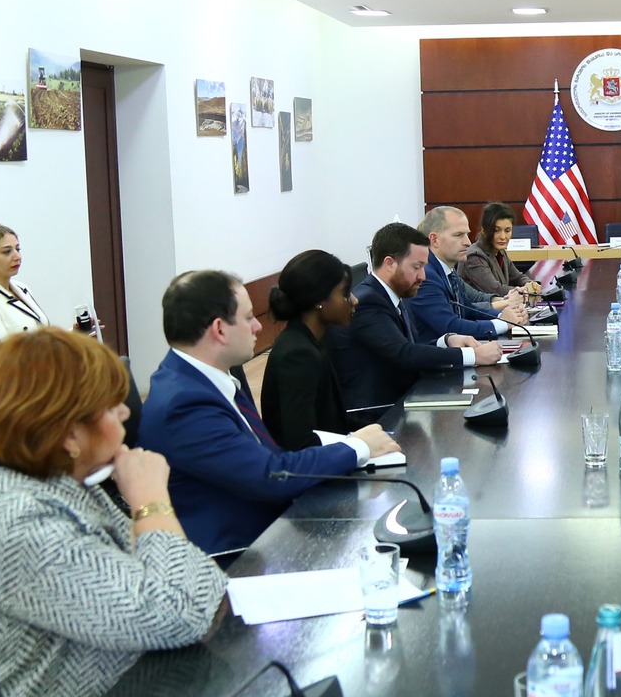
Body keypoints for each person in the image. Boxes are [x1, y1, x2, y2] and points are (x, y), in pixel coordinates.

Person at [0, 328, 228, 697]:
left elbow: (199, 585)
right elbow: (181, 614)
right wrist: (151, 502)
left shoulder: (51, 477)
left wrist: (161, 544)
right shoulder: (19, 524)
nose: (126, 413)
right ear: (69, 436)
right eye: (111, 408)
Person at [137, 270, 395, 553]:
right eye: (249, 318)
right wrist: (357, 446)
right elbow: (269, 476)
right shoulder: (184, 405)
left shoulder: (204, 379)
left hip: (270, 528)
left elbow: (266, 457)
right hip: (239, 554)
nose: (258, 327)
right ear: (219, 329)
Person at [332, 223, 505, 410]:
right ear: (390, 263)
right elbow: (404, 354)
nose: (422, 276)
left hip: (406, 397)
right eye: (417, 267)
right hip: (380, 412)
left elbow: (408, 345)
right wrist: (474, 355)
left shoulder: (395, 294)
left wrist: (446, 341)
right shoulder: (368, 302)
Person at [260, 250, 356, 448]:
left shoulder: (309, 341)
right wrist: (361, 444)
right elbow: (301, 441)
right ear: (319, 301)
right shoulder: (298, 355)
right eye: (345, 293)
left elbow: (333, 420)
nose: (354, 300)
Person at [407, 206, 529, 342]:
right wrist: (504, 323)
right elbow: (450, 326)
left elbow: (469, 310)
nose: (468, 242)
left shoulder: (448, 271)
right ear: (434, 240)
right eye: (458, 235)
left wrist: (506, 316)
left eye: (466, 234)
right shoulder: (425, 276)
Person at [0, 221, 48, 339]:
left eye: (18, 249)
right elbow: (1, 345)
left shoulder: (22, 288)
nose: (17, 257)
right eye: (7, 252)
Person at [460, 202, 544, 301]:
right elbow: (495, 290)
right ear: (484, 231)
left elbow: (517, 277)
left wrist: (530, 284)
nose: (503, 237)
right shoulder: (474, 256)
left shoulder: (500, 251)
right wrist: (526, 290)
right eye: (496, 230)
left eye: (507, 231)